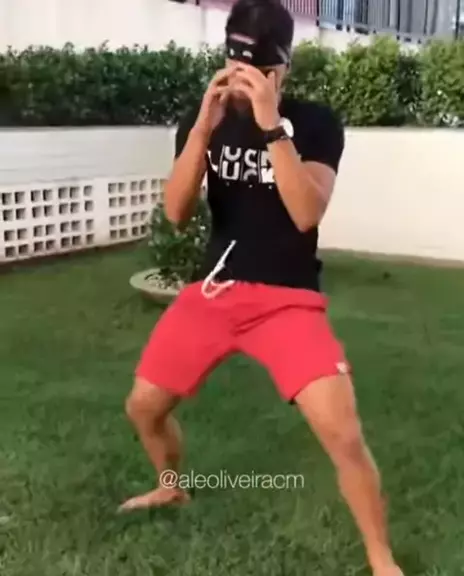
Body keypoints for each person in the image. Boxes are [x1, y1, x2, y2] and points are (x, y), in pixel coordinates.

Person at [121, 0, 404, 574]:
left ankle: (382, 561)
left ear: (282, 68)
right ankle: (171, 486)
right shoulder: (205, 118)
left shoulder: (316, 123)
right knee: (144, 407)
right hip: (214, 291)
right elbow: (175, 212)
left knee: (343, 434)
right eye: (233, 62)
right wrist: (202, 129)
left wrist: (272, 125)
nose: (240, 77)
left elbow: (306, 213)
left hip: (286, 299)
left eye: (256, 68)